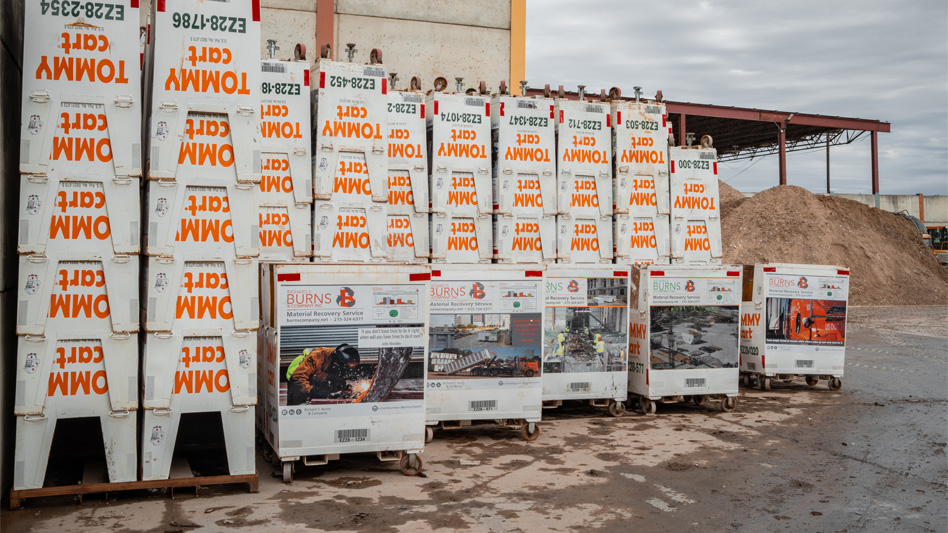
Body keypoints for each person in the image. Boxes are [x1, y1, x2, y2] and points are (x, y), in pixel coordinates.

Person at [286, 343, 360, 405]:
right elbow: (297, 377)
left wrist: (343, 389)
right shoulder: (317, 356)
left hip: (316, 379)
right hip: (297, 381)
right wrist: (312, 391)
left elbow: (336, 381)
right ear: (338, 362)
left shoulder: (338, 363)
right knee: (298, 407)